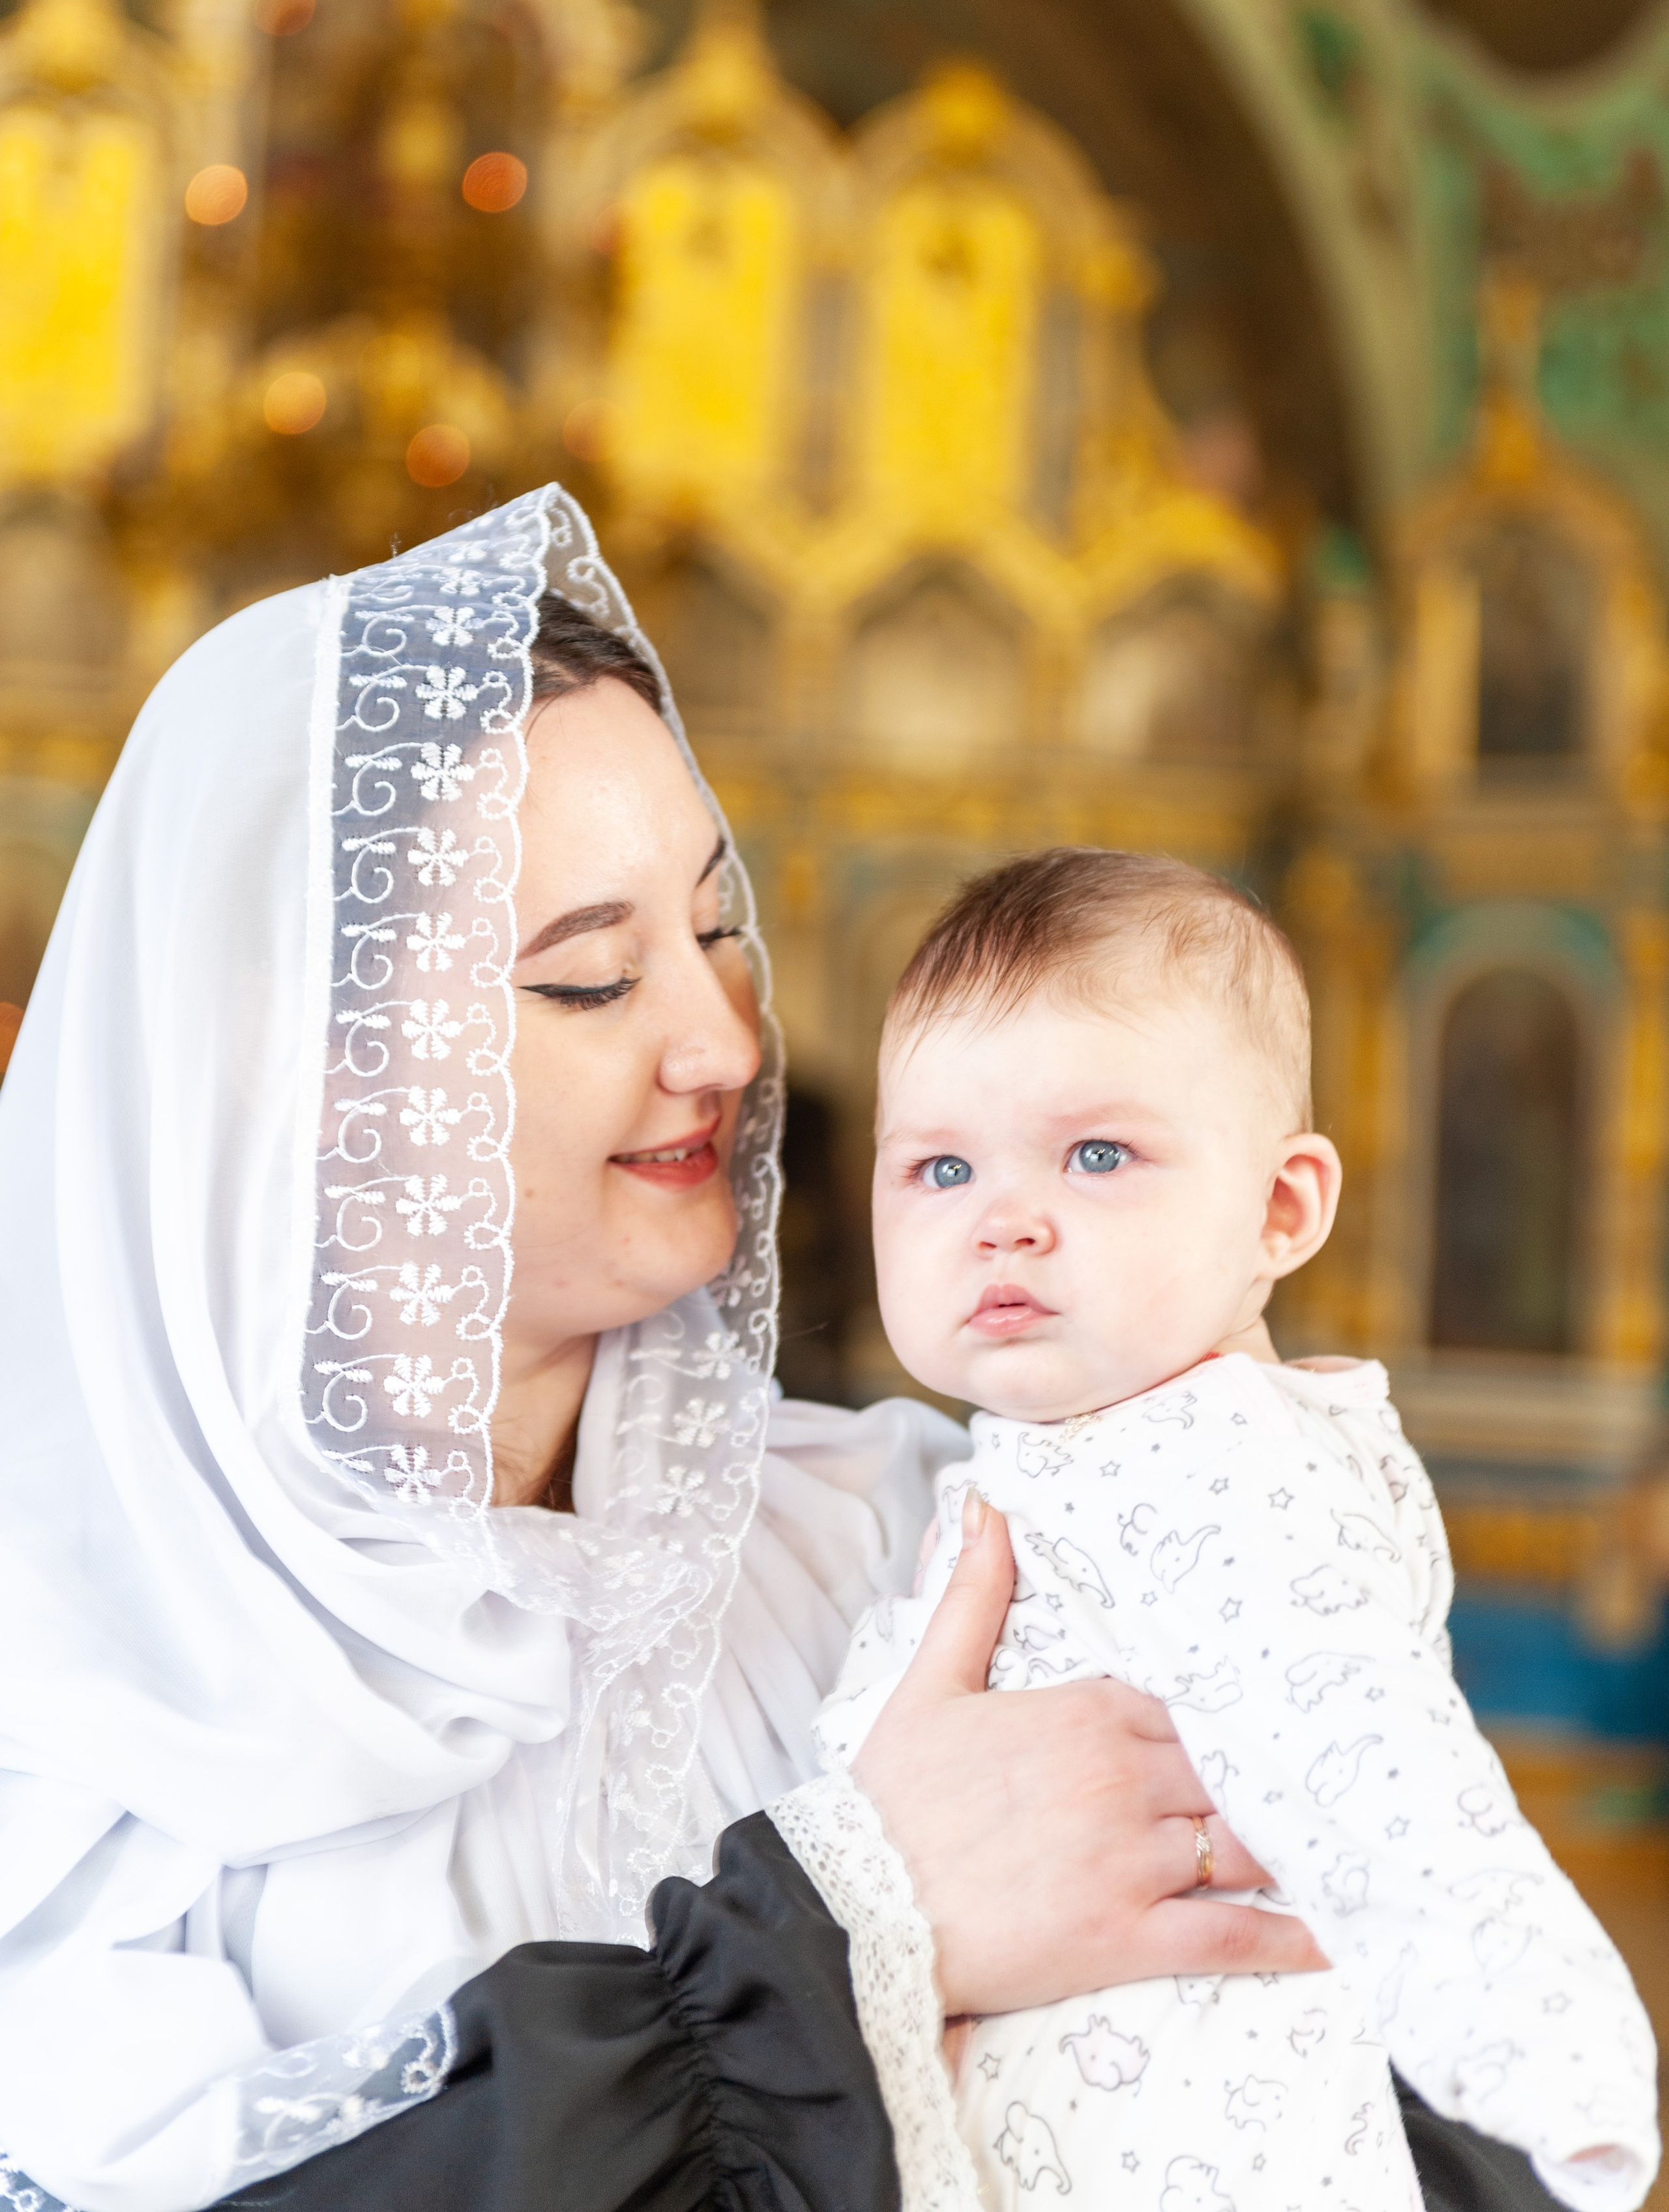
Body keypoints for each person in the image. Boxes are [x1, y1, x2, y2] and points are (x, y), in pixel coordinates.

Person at [0, 486, 1591, 2212]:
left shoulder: (922, 1539)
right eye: (595, 981)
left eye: (716, 928)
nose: (725, 1044)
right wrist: (861, 1917)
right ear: (294, 1075)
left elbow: (1371, 2039)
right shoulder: (66, 1724)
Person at [815, 848, 1659, 2212]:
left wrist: (1557, 2089)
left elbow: (1374, 1765)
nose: (1001, 1223)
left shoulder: (1223, 1456)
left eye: (1097, 1154)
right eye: (938, 1165)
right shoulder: (1059, 1454)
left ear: (1279, 1208)